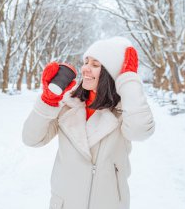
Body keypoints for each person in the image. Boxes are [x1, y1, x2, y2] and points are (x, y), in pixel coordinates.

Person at [22, 36, 155, 209]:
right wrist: (48, 101)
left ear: (110, 73)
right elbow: (31, 139)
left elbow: (140, 131)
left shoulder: (124, 111)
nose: (85, 68)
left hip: (109, 203)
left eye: (95, 64)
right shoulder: (68, 105)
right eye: (86, 62)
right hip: (65, 203)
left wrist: (129, 79)